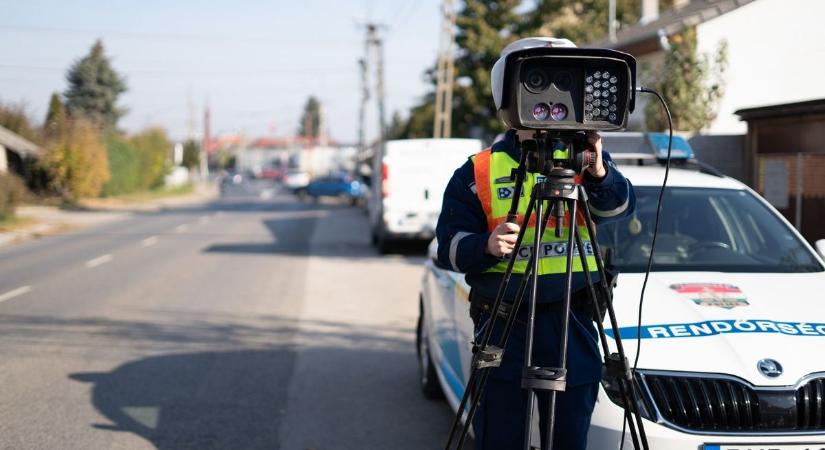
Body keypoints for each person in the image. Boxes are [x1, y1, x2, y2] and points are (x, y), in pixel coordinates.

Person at [435, 37, 635, 450]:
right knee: (500, 435)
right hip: (504, 321)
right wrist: (485, 245)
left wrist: (599, 172)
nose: (552, 105)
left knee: (569, 438)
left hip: (573, 318)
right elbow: (448, 247)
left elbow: (619, 211)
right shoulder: (479, 170)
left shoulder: (586, 159)